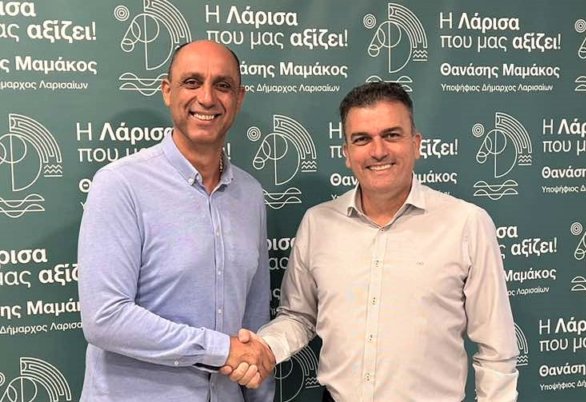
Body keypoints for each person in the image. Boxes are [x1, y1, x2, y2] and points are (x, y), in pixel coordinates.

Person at [224, 81, 519, 401]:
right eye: (362, 139)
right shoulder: (318, 223)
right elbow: (298, 316)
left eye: (391, 135)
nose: (378, 151)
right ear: (347, 153)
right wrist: (266, 347)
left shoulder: (467, 224)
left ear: (416, 144)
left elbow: (496, 352)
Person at [77, 40, 275, 402]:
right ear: (168, 91)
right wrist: (220, 350)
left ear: (239, 98)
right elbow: (105, 318)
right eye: (192, 82)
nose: (207, 98)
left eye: (223, 85)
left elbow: (254, 319)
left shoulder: (250, 194)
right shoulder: (121, 184)